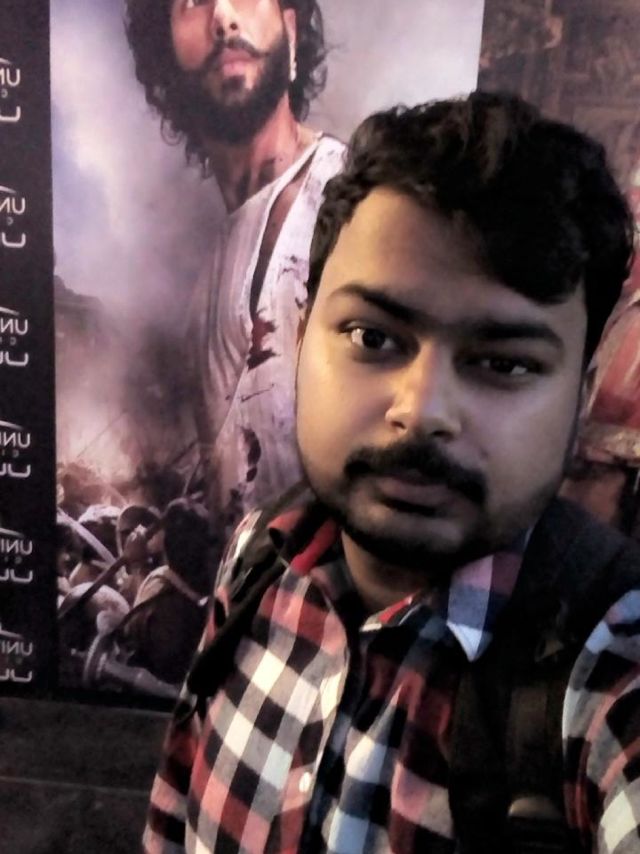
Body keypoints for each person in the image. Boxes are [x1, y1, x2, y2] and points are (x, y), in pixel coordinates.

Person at [143, 92, 640, 853]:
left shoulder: (606, 675)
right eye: (372, 337)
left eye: (505, 363)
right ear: (302, 334)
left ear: (584, 386)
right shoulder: (257, 558)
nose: (421, 410)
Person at [125, 0, 345, 541]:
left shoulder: (354, 200)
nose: (223, 16)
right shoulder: (203, 295)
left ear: (289, 32)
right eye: (191, 3)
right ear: (166, 62)